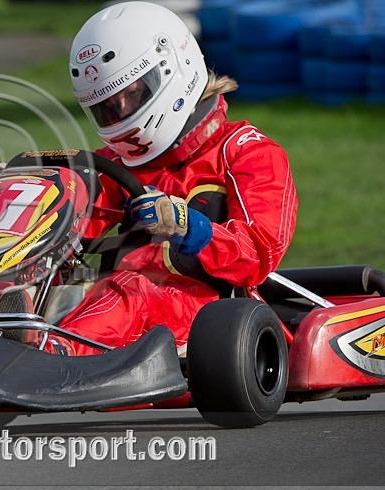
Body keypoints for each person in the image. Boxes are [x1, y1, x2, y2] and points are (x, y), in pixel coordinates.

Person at [38, 0, 298, 356]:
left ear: (176, 68)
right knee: (38, 276)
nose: (124, 113)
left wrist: (187, 225)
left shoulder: (248, 153)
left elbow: (255, 256)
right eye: (109, 106)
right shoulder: (115, 163)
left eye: (133, 94)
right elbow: (79, 220)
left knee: (129, 288)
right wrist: (33, 196)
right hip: (125, 306)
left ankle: (52, 356)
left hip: (211, 315)